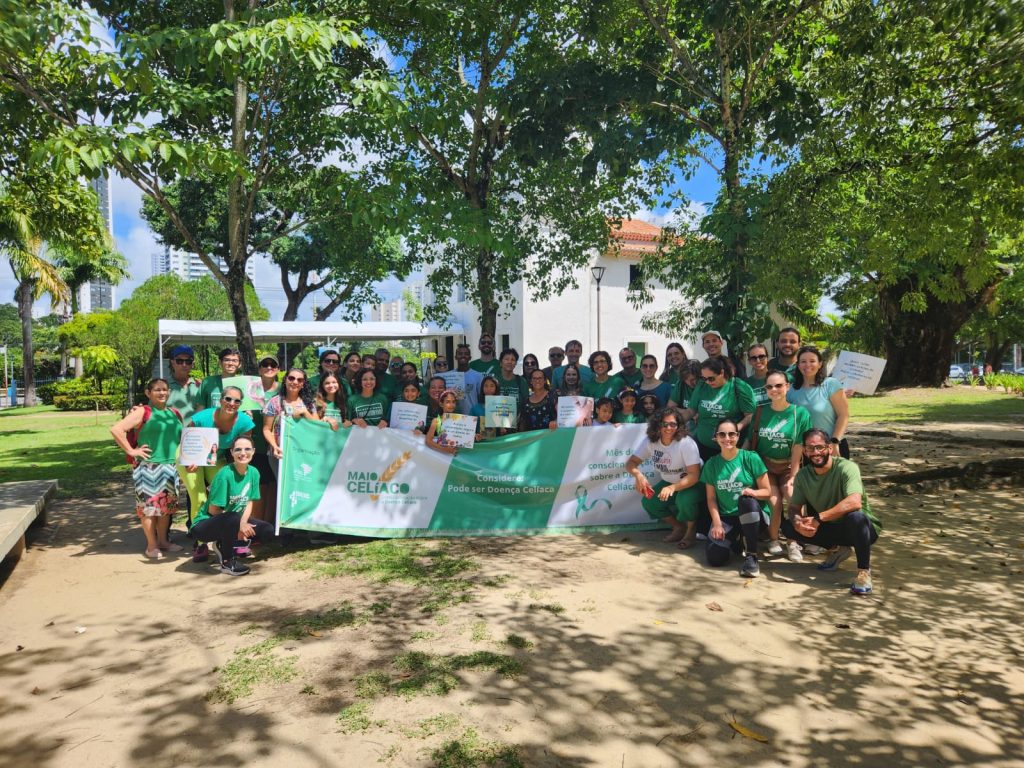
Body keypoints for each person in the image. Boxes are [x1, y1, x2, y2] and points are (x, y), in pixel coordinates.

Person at [781, 429, 881, 595]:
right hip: (832, 528)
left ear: (828, 448)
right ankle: (837, 549)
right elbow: (793, 507)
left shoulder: (847, 467)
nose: (815, 452)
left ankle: (864, 572)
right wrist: (798, 521)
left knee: (856, 518)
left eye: (820, 447)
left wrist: (819, 518)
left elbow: (854, 502)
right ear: (804, 451)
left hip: (862, 529)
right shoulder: (803, 476)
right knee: (788, 527)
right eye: (810, 448)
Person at [110, 378, 184, 559]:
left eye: (165, 389)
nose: (162, 393)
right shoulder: (143, 411)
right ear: (148, 393)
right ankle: (151, 546)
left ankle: (163, 541)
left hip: (170, 467)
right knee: (149, 508)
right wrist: (131, 450)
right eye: (157, 390)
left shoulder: (174, 413)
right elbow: (116, 429)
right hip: (148, 467)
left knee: (166, 508)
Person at [182, 385, 255, 559]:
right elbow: (187, 437)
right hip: (191, 455)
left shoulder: (244, 422)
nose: (232, 403)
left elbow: (243, 448)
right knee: (199, 497)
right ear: (221, 400)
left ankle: (229, 538)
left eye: (237, 401)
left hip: (214, 457)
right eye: (228, 399)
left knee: (227, 494)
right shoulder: (203, 417)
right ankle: (200, 544)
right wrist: (189, 458)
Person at [747, 371, 813, 560]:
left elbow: (798, 447)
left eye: (778, 385)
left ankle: (793, 542)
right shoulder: (760, 411)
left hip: (787, 466)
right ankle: (773, 540)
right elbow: (751, 441)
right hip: (765, 466)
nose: (774, 390)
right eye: (769, 386)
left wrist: (793, 475)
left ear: (787, 387)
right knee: (774, 503)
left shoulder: (799, 413)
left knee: (793, 498)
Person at [189, 435, 274, 577]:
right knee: (233, 518)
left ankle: (229, 543)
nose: (243, 453)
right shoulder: (224, 475)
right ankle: (227, 562)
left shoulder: (254, 472)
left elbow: (249, 501)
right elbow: (213, 510)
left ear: (253, 451)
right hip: (205, 524)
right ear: (231, 452)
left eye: (247, 449)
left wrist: (243, 523)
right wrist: (239, 526)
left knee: (267, 530)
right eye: (238, 449)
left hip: (233, 520)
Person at [698, 418, 771, 577]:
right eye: (722, 434)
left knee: (746, 501)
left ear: (738, 436)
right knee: (715, 559)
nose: (727, 438)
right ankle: (736, 540)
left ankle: (752, 556)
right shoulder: (711, 464)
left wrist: (753, 493)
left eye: (731, 434)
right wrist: (717, 524)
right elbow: (711, 499)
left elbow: (767, 491)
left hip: (753, 515)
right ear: (716, 438)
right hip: (727, 518)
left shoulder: (751, 458)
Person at [626, 406, 703, 547]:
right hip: (670, 482)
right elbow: (631, 462)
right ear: (657, 425)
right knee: (649, 502)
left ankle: (691, 531)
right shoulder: (650, 441)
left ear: (679, 425)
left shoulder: (686, 443)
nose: (669, 428)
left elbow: (694, 475)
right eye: (664, 424)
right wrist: (638, 475)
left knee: (684, 500)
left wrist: (673, 487)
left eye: (673, 424)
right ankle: (679, 527)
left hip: (693, 484)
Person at [681, 356, 757, 461]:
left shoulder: (738, 386)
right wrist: (675, 423)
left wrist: (734, 428)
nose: (707, 382)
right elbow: (691, 410)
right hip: (704, 446)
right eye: (704, 378)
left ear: (721, 373)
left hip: (730, 446)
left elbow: (750, 415)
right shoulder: (702, 385)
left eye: (711, 378)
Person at [787, 346, 850, 458]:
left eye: (812, 361)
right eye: (803, 361)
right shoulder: (791, 390)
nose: (807, 365)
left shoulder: (831, 384)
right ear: (798, 365)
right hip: (805, 451)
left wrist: (834, 442)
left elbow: (843, 415)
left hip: (832, 447)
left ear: (820, 364)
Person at [263, 368, 320, 479]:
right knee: (282, 488)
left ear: (303, 384)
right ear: (285, 380)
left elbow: (317, 427)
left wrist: (305, 412)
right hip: (279, 454)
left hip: (303, 453)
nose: (295, 382)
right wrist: (274, 447)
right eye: (291, 378)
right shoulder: (274, 402)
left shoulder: (308, 403)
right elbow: (266, 429)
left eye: (300, 380)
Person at [249, 355, 281, 524]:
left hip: (277, 447)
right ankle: (255, 526)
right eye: (265, 365)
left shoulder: (283, 389)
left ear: (278, 369)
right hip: (256, 445)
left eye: (273, 365)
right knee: (259, 488)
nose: (269, 367)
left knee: (274, 486)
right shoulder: (250, 389)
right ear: (260, 369)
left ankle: (269, 527)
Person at [166, 344, 202, 422]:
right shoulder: (163, 386)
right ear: (172, 362)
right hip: (171, 432)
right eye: (179, 361)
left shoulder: (199, 386)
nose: (184, 365)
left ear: (192, 364)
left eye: (188, 361)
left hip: (195, 433)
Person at [425, 389, 462, 455]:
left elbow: (463, 436)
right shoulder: (436, 421)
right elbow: (428, 441)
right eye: (448, 402)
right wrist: (445, 449)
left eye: (453, 402)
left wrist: (473, 437)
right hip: (441, 457)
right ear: (441, 404)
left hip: (456, 457)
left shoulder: (460, 420)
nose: (451, 405)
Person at [495, 348, 528, 417]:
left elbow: (526, 404)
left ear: (515, 363)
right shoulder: (494, 380)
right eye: (506, 359)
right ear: (501, 363)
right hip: (496, 423)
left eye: (513, 360)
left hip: (517, 423)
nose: (510, 362)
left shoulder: (521, 381)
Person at [454, 343, 483, 415]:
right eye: (460, 354)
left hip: (472, 417)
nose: (463, 356)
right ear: (456, 357)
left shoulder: (478, 376)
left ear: (470, 357)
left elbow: (481, 399)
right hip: (453, 417)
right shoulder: (450, 375)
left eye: (466, 354)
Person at [744, 343, 772, 408]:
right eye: (754, 358)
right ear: (749, 361)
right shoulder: (746, 384)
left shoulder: (779, 378)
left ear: (767, 358)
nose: (758, 361)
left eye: (761, 356)